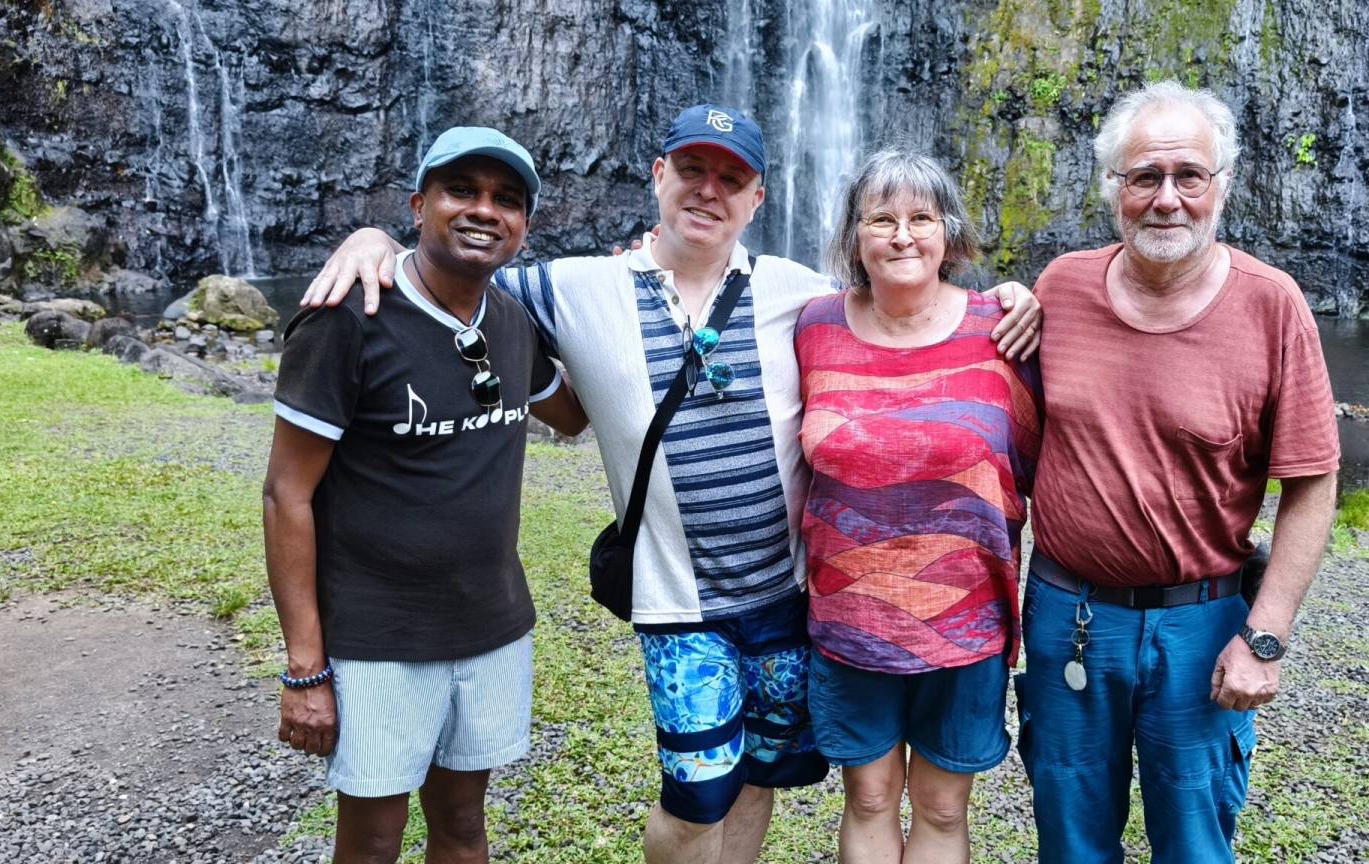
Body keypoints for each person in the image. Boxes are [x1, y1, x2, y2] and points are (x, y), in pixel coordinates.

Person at [298, 105, 1043, 864]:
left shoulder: (803, 296)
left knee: (760, 776)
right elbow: (460, 269)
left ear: (758, 200)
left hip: (792, 597)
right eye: (692, 170)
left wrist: (1013, 298)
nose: (708, 191)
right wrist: (378, 241)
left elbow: (904, 296)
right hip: (678, 602)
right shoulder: (577, 287)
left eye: (732, 178)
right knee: (697, 793)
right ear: (658, 177)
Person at [1017, 81, 1341, 863]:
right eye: (1144, 177)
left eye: (1188, 176)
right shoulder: (1060, 287)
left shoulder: (1273, 305)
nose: (1167, 199)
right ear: (1113, 190)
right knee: (1069, 836)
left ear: (1221, 185)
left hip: (1201, 622)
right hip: (1070, 616)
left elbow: (1314, 484)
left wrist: (1264, 638)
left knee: (1195, 840)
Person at [261, 126, 588, 864]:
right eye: (461, 191)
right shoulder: (346, 317)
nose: (484, 210)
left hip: (491, 624)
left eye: (507, 200)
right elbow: (286, 496)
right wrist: (305, 668)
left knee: (465, 824)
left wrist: (637, 293)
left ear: (525, 227)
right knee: (373, 840)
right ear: (418, 205)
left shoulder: (509, 321)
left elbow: (572, 414)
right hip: (380, 636)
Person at [795, 150, 1041, 864]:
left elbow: (1052, 451)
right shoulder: (812, 327)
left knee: (938, 805)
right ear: (854, 237)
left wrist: (1034, 294)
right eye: (882, 219)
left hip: (967, 621)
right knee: (868, 797)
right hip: (850, 617)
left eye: (921, 218)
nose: (902, 235)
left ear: (949, 235)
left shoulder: (1004, 329)